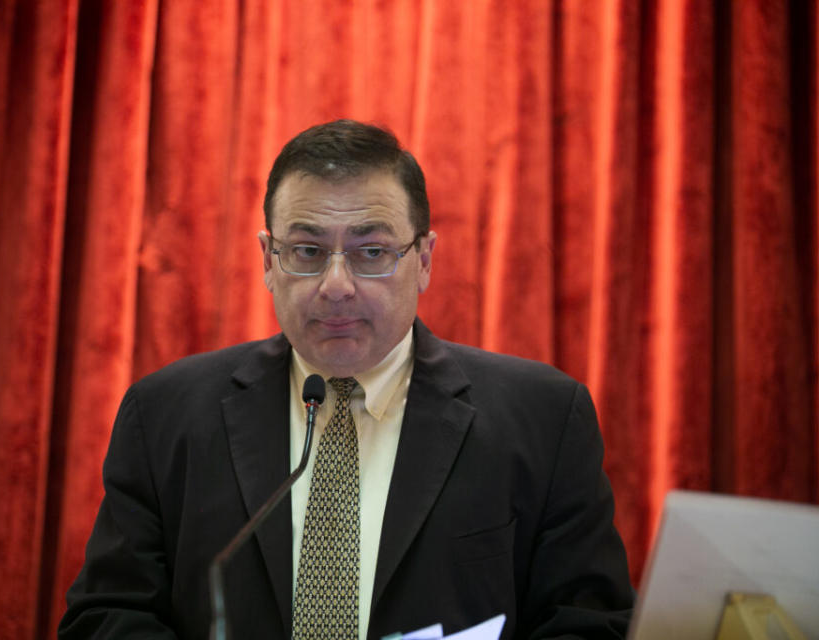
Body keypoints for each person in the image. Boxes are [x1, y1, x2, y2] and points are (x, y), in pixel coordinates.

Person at [60, 120, 634, 639]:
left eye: (372, 251)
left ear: (425, 259)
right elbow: (106, 616)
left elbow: (588, 624)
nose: (336, 284)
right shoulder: (165, 415)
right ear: (268, 259)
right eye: (307, 251)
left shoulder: (543, 418)